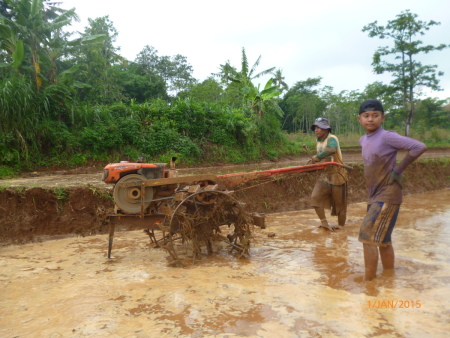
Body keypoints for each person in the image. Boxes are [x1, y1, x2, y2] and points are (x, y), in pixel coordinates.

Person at [357, 99, 427, 281]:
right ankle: (389, 278)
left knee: (367, 237)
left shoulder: (387, 136)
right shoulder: (363, 139)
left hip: (388, 194)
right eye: (366, 116)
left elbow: (419, 146)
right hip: (374, 196)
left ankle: (368, 284)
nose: (370, 119)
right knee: (383, 241)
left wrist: (397, 170)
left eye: (375, 115)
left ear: (382, 117)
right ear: (360, 119)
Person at [309, 117, 348, 231]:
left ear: (326, 130)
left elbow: (332, 150)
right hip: (325, 175)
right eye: (315, 128)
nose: (316, 130)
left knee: (339, 204)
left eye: (319, 128)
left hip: (337, 175)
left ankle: (340, 226)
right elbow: (320, 158)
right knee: (315, 197)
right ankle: (324, 223)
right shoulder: (318, 141)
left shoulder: (332, 138)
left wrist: (317, 157)